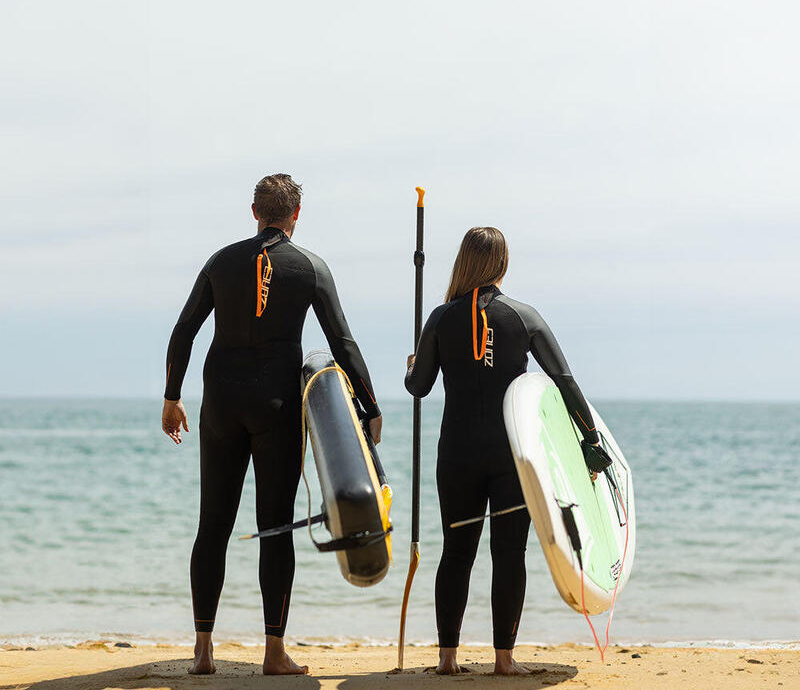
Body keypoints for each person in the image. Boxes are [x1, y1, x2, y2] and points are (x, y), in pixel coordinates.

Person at [161, 174, 382, 676]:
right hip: (277, 407)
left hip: (221, 402)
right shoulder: (309, 267)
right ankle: (273, 652)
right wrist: (368, 406)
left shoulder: (221, 261)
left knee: (212, 525)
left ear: (253, 210)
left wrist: (172, 398)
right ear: (296, 215)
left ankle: (202, 650)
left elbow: (184, 332)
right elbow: (342, 343)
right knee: (274, 529)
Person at [404, 226, 611, 676]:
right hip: (510, 457)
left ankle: (447, 660)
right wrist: (591, 441)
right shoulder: (523, 316)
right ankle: (504, 660)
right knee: (509, 553)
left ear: (463, 262)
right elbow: (564, 380)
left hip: (456, 454)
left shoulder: (440, 318)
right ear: (503, 264)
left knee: (456, 552)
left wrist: (414, 366)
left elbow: (418, 388)